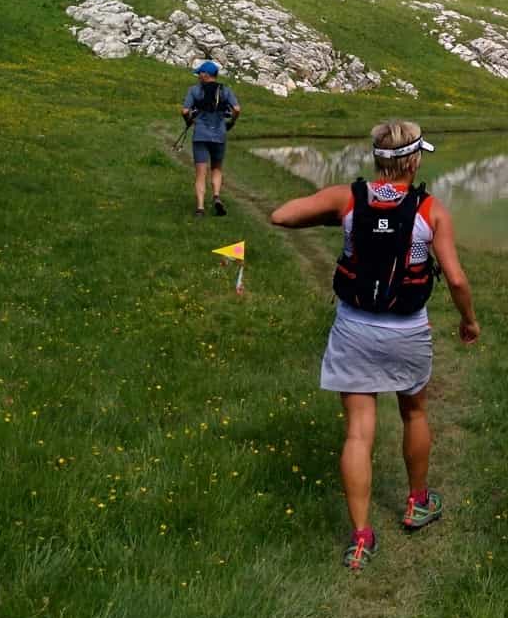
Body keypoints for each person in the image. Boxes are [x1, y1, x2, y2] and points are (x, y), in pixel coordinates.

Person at [269, 120, 479, 570]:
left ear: (377, 159)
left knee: (358, 432)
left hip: (354, 330)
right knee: (414, 412)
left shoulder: (350, 199)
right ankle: (417, 502)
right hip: (407, 329)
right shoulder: (430, 210)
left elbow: (281, 215)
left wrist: (336, 215)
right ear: (415, 159)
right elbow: (457, 279)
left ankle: (361, 538)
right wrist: (469, 321)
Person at [181, 61, 240, 217]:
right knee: (216, 168)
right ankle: (216, 197)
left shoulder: (194, 90)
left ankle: (200, 208)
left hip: (200, 134)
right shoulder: (225, 90)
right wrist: (231, 122)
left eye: (200, 73)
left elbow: (185, 110)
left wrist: (189, 121)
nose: (198, 75)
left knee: (201, 173)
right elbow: (237, 109)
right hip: (219, 134)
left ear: (206, 75)